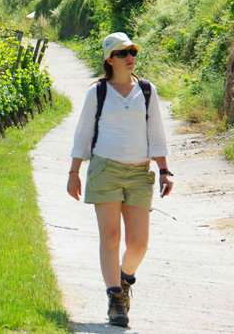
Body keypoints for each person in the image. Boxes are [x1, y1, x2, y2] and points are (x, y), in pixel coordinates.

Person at [66, 32, 174, 327]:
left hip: (140, 172)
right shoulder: (97, 92)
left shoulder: (147, 90)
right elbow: (83, 134)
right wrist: (74, 172)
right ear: (109, 60)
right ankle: (116, 299)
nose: (130, 58)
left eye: (132, 53)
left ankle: (124, 279)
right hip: (105, 169)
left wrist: (164, 170)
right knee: (111, 236)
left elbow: (157, 133)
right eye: (123, 54)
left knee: (138, 243)